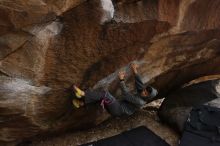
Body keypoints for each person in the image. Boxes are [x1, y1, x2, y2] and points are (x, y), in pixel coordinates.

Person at [71, 63, 158, 116]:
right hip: (118, 105)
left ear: (147, 97)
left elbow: (126, 95)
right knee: (100, 97)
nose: (143, 92)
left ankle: (83, 94)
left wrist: (121, 80)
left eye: (146, 93)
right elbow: (139, 83)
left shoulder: (140, 102)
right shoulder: (142, 93)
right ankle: (81, 103)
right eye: (145, 90)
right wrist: (134, 70)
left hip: (118, 110)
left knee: (105, 94)